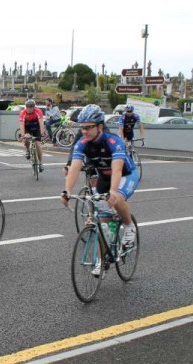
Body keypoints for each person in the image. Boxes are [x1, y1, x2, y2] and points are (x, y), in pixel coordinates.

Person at [61, 104, 139, 274]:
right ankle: (100, 260)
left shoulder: (113, 141)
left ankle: (128, 225)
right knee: (103, 223)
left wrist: (112, 191)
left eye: (88, 128)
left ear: (100, 126)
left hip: (126, 175)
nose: (84, 131)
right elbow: (74, 167)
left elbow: (117, 169)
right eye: (82, 128)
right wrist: (67, 190)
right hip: (104, 177)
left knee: (117, 197)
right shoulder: (82, 143)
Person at [19, 99, 46, 171]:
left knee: (38, 145)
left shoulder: (38, 111)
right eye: (27, 107)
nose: (29, 109)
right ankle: (27, 150)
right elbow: (21, 125)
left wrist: (42, 133)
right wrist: (23, 135)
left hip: (36, 128)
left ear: (34, 107)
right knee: (26, 138)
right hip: (27, 128)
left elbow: (41, 123)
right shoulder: (23, 113)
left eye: (30, 107)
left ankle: (40, 163)